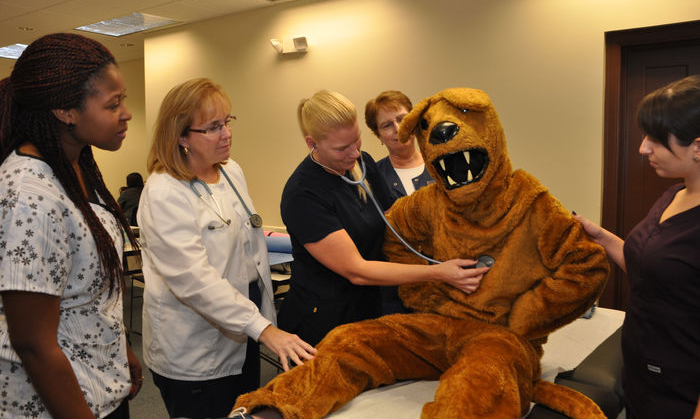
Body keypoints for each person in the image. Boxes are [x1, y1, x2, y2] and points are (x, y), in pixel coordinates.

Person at [136, 78, 316, 419]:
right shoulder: (164, 192)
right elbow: (194, 281)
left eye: (227, 122)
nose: (226, 134)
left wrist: (258, 324)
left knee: (242, 410)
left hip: (243, 329)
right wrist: (264, 329)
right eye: (213, 127)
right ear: (181, 136)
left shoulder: (231, 171)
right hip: (193, 347)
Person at [0, 33, 142, 419]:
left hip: (99, 383)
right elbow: (32, 342)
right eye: (113, 104)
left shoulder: (75, 166)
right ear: (66, 112)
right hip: (61, 403)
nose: (127, 112)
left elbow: (86, 288)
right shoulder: (30, 195)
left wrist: (120, 350)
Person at [276, 89, 489, 346]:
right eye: (342, 148)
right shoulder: (303, 195)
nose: (354, 154)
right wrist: (438, 273)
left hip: (369, 307)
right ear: (313, 144)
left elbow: (393, 218)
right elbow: (357, 270)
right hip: (324, 321)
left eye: (357, 141)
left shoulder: (362, 163)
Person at [575, 75, 700, 419]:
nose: (643, 148)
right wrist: (600, 237)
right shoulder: (673, 195)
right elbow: (651, 271)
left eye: (655, 139)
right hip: (643, 373)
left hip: (682, 393)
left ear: (698, 147)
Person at [365, 90, 433, 203]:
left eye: (402, 119)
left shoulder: (438, 164)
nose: (398, 128)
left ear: (413, 121)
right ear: (378, 136)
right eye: (387, 125)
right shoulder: (373, 178)